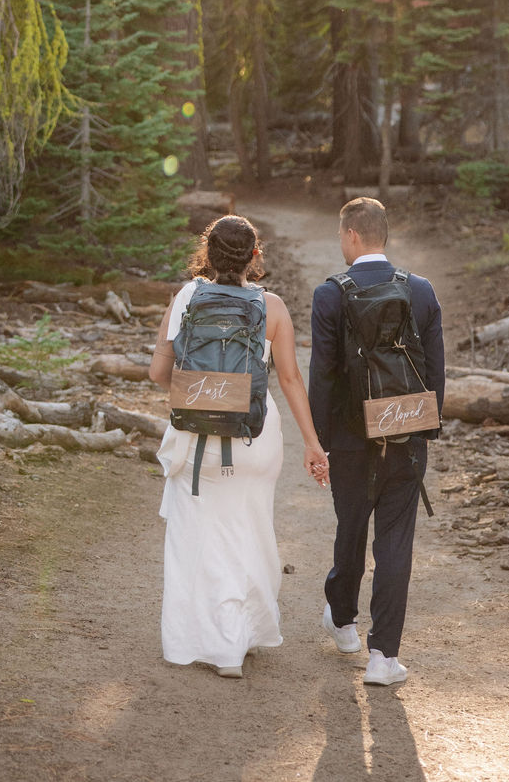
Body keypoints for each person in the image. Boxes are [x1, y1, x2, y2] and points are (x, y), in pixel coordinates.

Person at [149, 213, 329, 678]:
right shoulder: (273, 307)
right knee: (250, 531)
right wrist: (313, 444)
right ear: (255, 256)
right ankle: (241, 637)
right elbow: (289, 379)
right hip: (254, 433)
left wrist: (202, 382)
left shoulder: (186, 297)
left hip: (198, 436)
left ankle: (213, 641)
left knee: (202, 537)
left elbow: (157, 374)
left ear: (207, 254)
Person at [308, 195, 445, 687]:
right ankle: (383, 658)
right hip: (406, 435)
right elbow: (435, 371)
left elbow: (321, 377)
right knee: (395, 544)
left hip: (349, 439)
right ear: (383, 235)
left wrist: (319, 441)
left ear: (351, 235)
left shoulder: (330, 295)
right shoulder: (422, 291)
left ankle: (343, 622)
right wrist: (423, 428)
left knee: (350, 528)